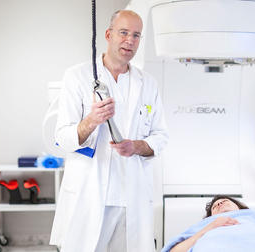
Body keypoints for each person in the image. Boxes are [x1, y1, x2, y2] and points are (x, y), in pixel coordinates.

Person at [49, 10, 168, 252]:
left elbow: (161, 136)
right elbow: (62, 137)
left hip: (131, 197)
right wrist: (91, 121)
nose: (129, 41)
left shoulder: (148, 84)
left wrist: (135, 146)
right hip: (89, 193)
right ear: (108, 34)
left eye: (136, 35)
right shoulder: (78, 76)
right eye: (123, 32)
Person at [163, 195, 255, 252]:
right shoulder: (204, 226)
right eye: (215, 206)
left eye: (224, 201)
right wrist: (211, 227)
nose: (220, 203)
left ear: (239, 208)